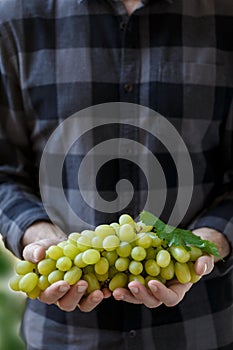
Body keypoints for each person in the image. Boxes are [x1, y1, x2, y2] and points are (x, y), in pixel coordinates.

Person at [0, 0, 232, 349]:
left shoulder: (224, 15)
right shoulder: (15, 17)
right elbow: (4, 172)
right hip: (64, 337)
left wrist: (209, 242)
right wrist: (35, 233)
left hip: (201, 330)